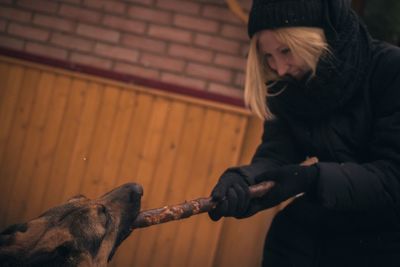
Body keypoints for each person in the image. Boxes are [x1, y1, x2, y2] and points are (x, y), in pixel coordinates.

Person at [208, 0, 400, 266]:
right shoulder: (289, 86)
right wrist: (242, 180)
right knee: (287, 232)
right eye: (268, 57)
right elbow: (276, 154)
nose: (280, 67)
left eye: (286, 50)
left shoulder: (390, 70)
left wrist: (310, 179)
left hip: (389, 235)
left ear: (316, 38)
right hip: (324, 225)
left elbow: (393, 177)